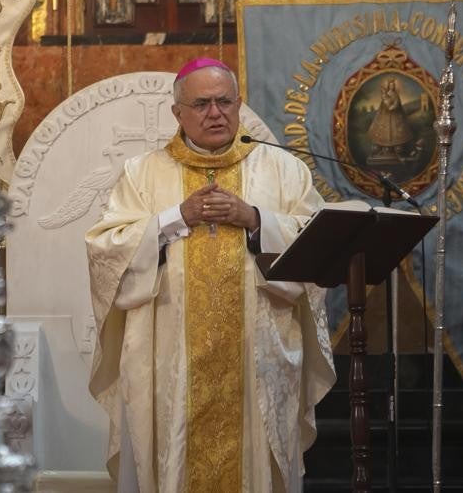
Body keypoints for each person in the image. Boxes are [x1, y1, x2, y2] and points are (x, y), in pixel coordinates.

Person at [85, 58, 335, 492]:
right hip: (169, 360)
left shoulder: (282, 169)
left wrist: (254, 218)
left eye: (224, 102)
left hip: (257, 357)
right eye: (201, 104)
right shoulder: (142, 173)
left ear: (239, 106)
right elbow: (106, 249)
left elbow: (317, 245)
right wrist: (173, 217)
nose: (215, 113)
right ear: (177, 113)